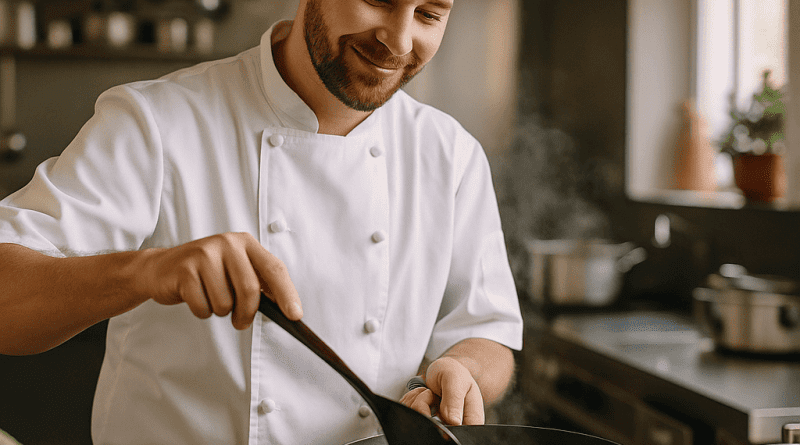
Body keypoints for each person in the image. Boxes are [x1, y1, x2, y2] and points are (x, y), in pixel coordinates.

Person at [0, 0, 523, 443]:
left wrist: (462, 370)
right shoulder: (157, 122)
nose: (400, 40)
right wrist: (146, 272)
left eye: (429, 14)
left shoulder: (450, 155)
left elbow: (486, 331)